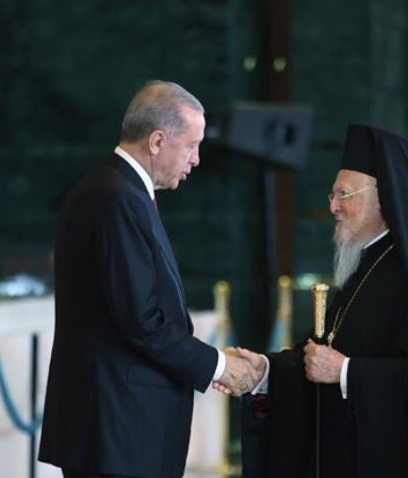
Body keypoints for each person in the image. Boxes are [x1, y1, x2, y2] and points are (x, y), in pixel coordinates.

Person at [219, 125, 408, 478]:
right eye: (332, 195)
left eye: (344, 194)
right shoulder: (366, 264)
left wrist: (346, 372)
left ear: (384, 196)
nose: (332, 206)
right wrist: (264, 371)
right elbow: (322, 356)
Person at [38, 81, 258, 478]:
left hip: (115, 430)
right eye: (190, 145)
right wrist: (219, 366)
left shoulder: (111, 190)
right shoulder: (117, 199)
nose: (196, 159)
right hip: (119, 431)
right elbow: (142, 322)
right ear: (157, 141)